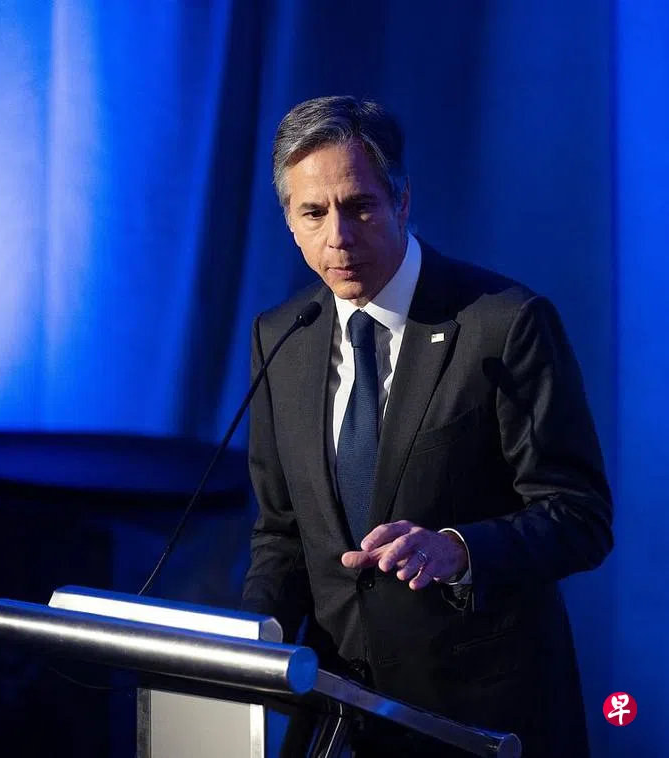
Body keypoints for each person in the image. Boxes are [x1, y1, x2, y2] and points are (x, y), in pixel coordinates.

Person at [241, 96, 612, 757]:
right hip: (338, 721)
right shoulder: (282, 336)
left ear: (402, 201)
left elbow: (579, 517)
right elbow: (283, 534)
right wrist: (246, 640)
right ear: (290, 222)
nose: (338, 237)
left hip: (477, 721)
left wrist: (459, 550)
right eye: (313, 213)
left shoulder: (504, 324)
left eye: (359, 206)